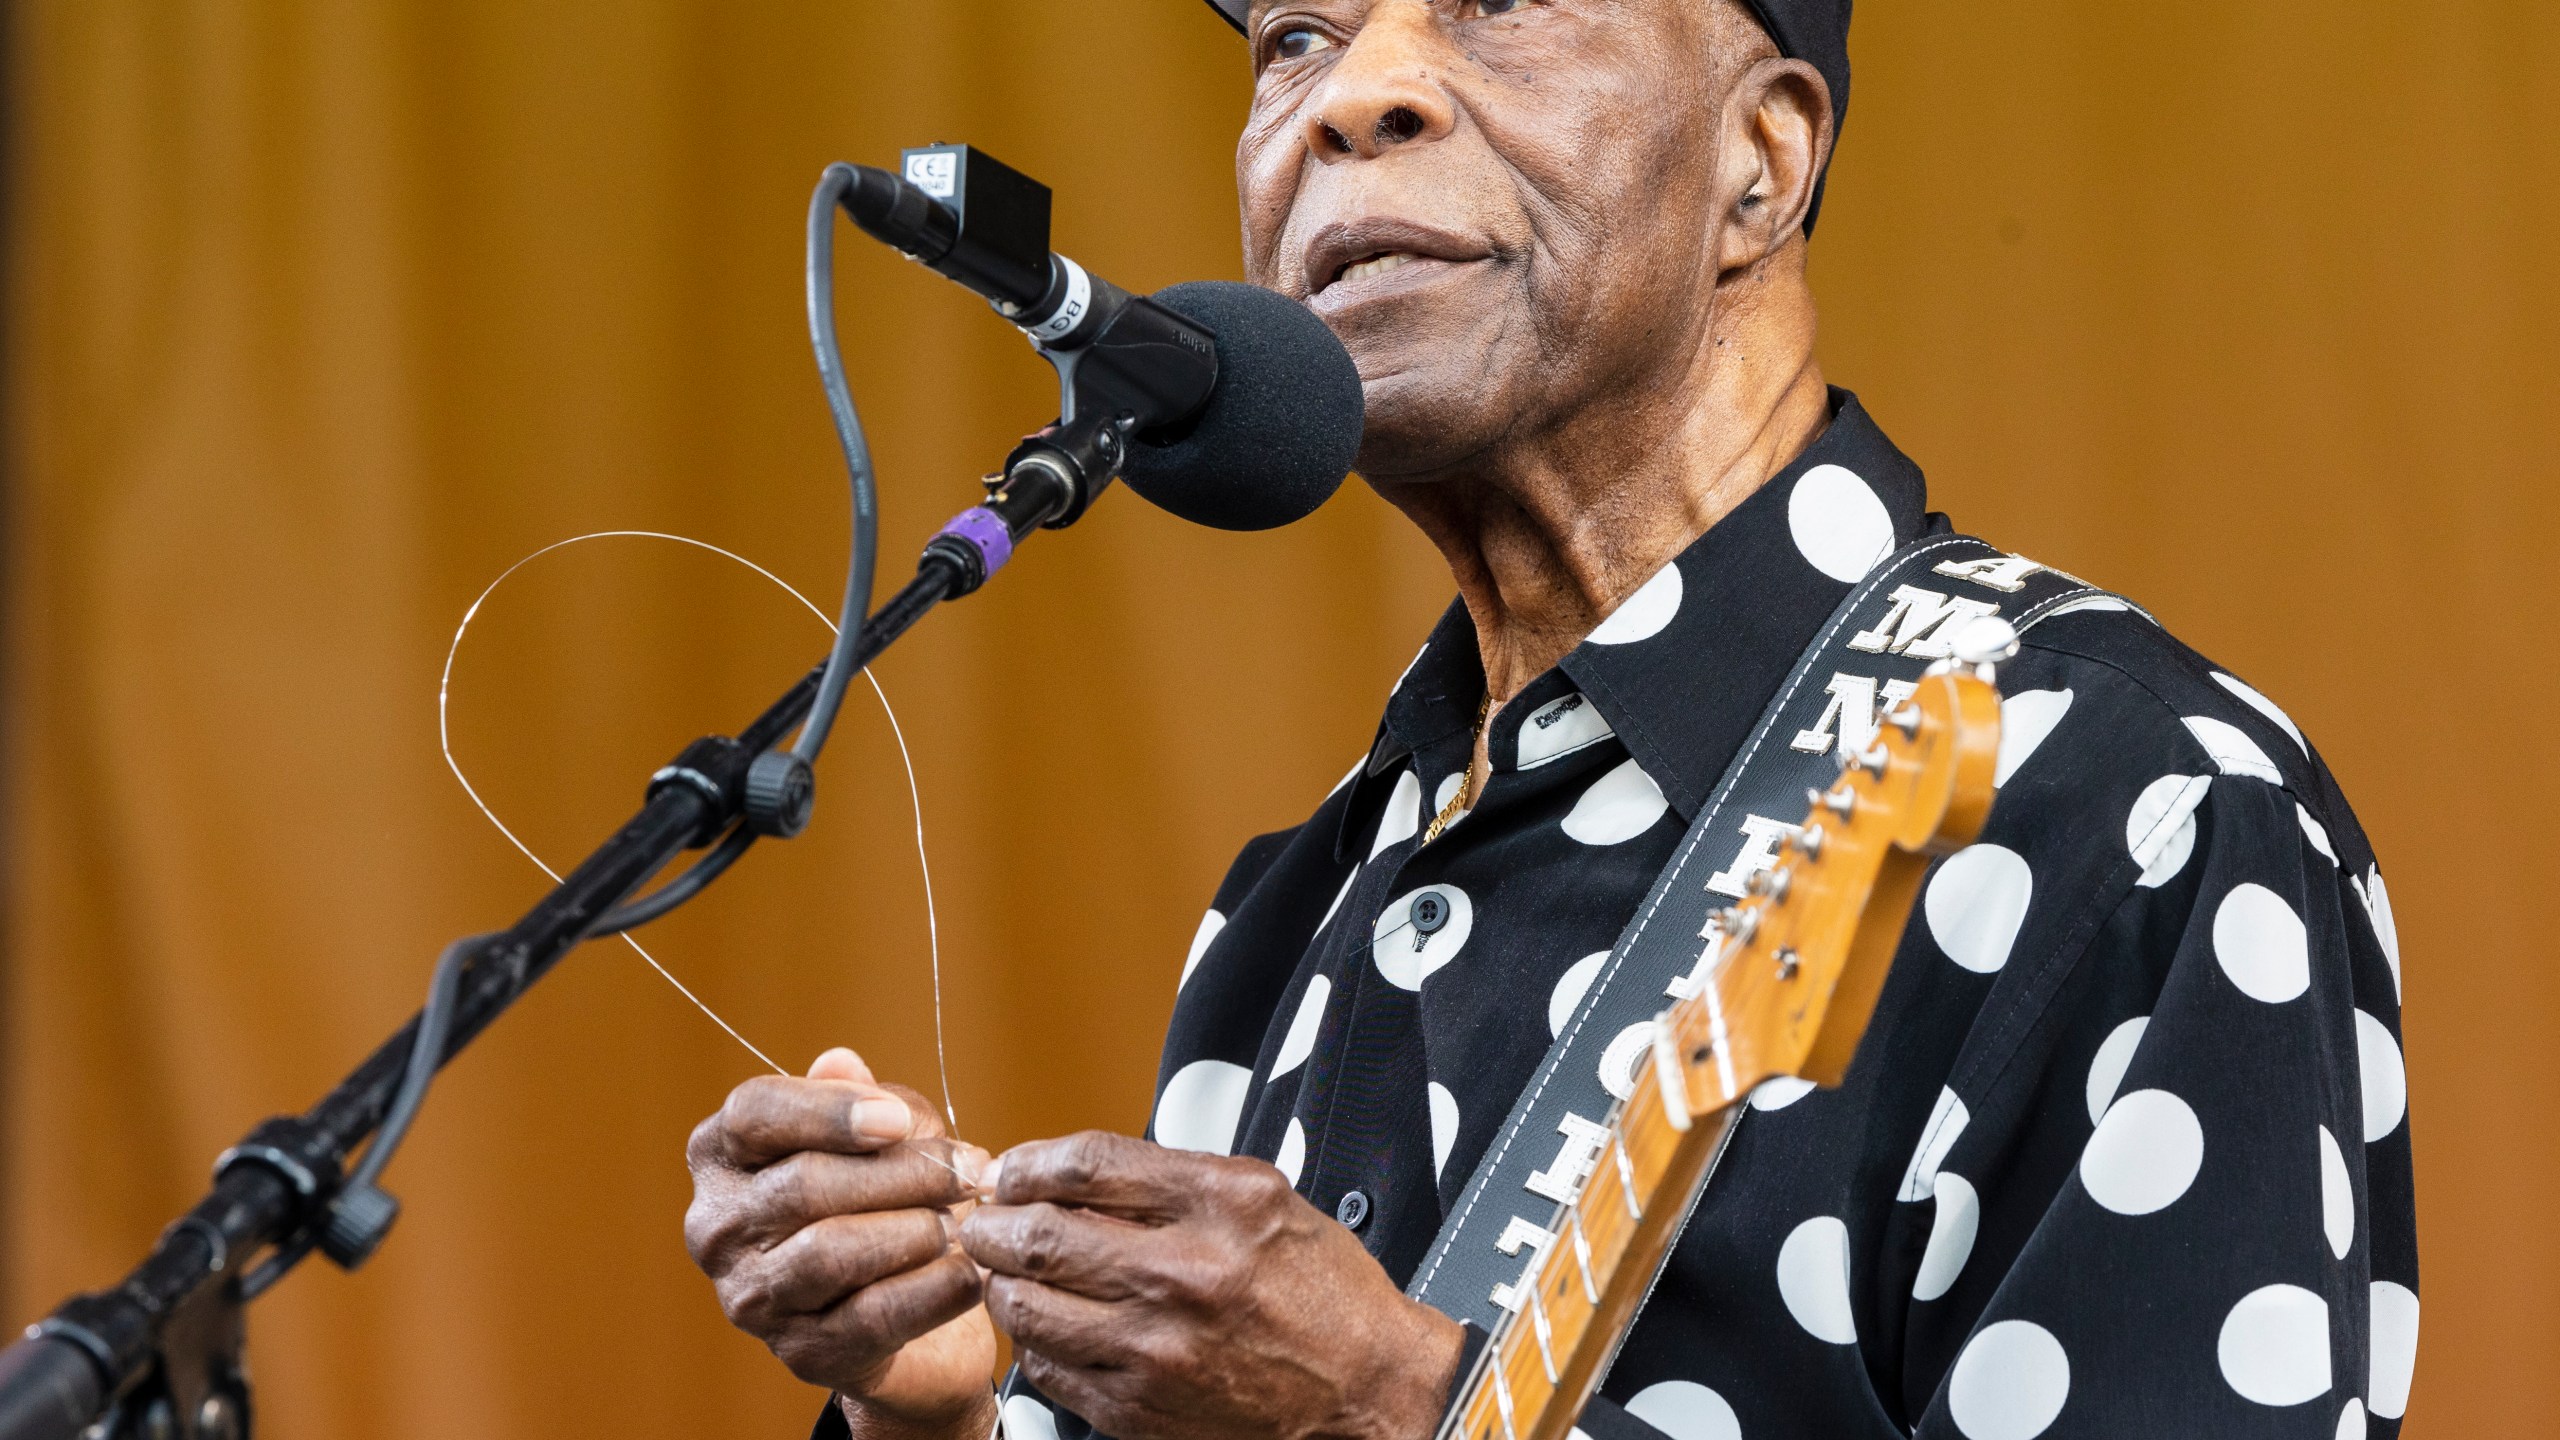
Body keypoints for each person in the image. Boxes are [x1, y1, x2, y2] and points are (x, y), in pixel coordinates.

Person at [682, 2, 2419, 1436]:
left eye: (1500, 5)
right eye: (1294, 35)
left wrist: (1397, 1406)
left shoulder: (2120, 799)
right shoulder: (1310, 892)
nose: (1358, 94)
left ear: (1765, 159)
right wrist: (950, 1414)